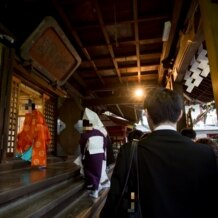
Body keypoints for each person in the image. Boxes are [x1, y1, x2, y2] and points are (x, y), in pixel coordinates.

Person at [100, 87, 218, 218]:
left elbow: (121, 196)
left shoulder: (130, 151)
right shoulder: (206, 153)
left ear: (147, 115)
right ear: (180, 115)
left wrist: (132, 207)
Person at [79, 108, 110, 198]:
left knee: (90, 171)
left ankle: (95, 189)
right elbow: (105, 143)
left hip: (90, 154)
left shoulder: (86, 134)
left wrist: (83, 155)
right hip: (100, 154)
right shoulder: (100, 131)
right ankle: (99, 185)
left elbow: (82, 144)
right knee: (98, 171)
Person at [16, 102, 51, 169]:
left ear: (30, 108)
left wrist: (21, 133)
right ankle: (41, 164)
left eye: (27, 108)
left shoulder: (30, 114)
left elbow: (27, 125)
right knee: (40, 148)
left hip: (34, 130)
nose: (27, 110)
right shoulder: (40, 114)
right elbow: (45, 124)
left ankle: (31, 160)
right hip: (42, 132)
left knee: (22, 138)